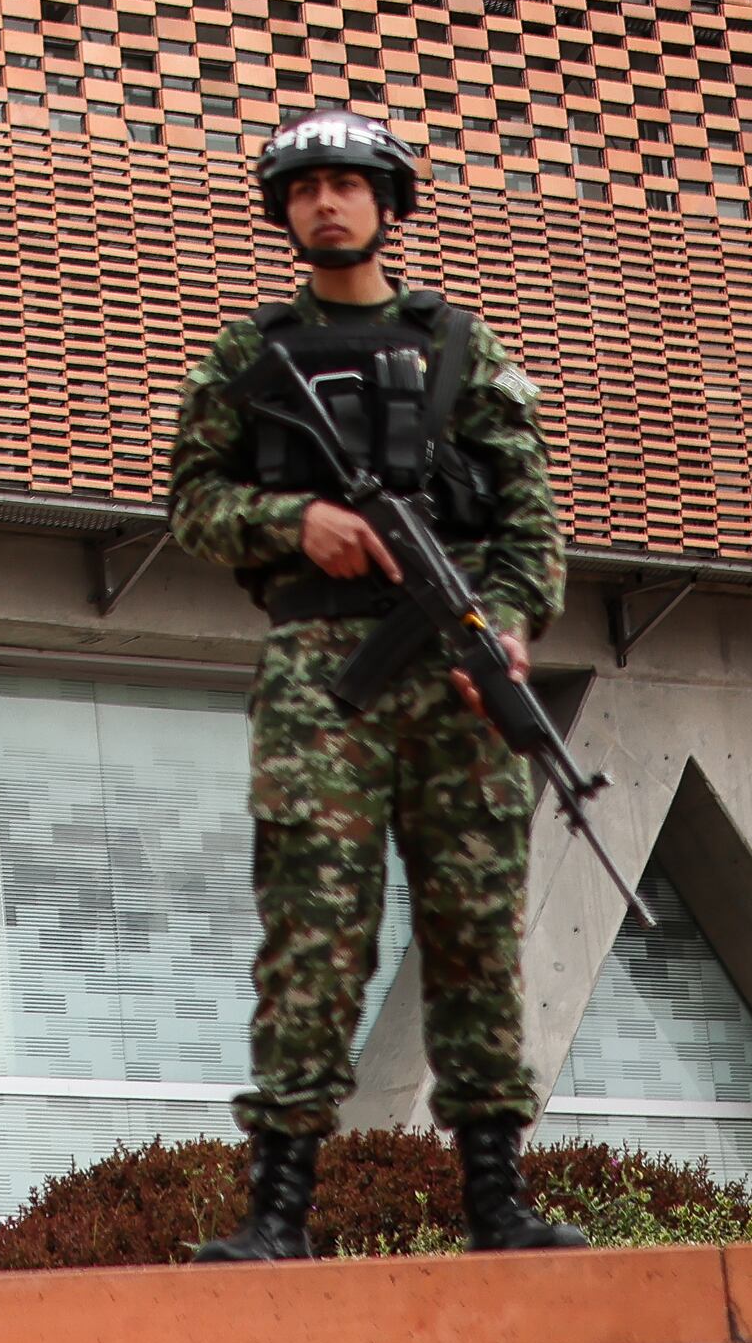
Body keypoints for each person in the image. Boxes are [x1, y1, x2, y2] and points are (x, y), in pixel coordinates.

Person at [160, 104, 583, 1261]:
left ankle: (495, 1198)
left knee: (473, 934)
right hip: (320, 678)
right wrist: (296, 519)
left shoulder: (463, 351)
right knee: (312, 931)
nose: (326, 203)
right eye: (303, 189)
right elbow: (190, 502)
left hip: (453, 672)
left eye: (348, 184)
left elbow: (528, 520)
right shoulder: (247, 360)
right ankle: (276, 1210)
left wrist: (500, 627)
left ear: (387, 204)